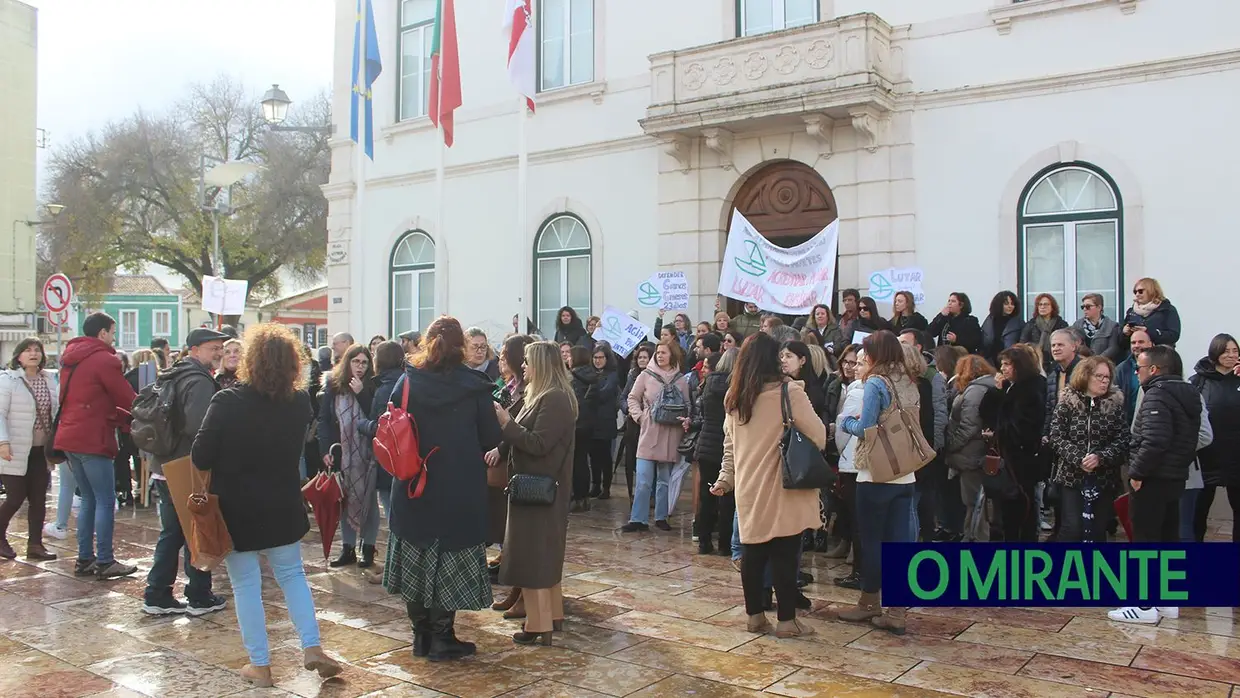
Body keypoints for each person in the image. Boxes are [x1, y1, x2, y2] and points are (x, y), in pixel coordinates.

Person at [191, 324, 341, 687]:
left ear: (249, 360)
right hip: (282, 504)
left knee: (246, 585)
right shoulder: (300, 402)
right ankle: (312, 646)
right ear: (293, 364)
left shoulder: (226, 401)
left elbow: (200, 454)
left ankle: (260, 665)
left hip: (236, 509)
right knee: (292, 576)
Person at [385, 316, 503, 661]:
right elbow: (490, 439)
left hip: (412, 486)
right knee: (447, 562)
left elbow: (389, 425)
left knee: (416, 559)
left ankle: (420, 637)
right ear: (461, 346)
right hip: (458, 488)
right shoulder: (475, 385)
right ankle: (442, 637)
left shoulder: (407, 382)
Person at [711, 332, 824, 638]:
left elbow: (730, 445)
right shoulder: (790, 393)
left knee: (753, 553)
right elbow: (819, 435)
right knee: (786, 554)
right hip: (783, 485)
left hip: (748, 486)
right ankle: (787, 621)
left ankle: (754, 617)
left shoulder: (735, 397)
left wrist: (725, 478)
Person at [833, 331, 920, 634]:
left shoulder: (875, 383)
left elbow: (866, 428)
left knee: (870, 541)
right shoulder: (908, 380)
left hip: (875, 473)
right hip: (905, 472)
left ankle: (868, 602)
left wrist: (845, 421)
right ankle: (896, 611)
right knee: (900, 543)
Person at [493, 341, 576, 646]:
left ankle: (538, 625)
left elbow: (540, 445)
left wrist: (506, 424)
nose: (523, 367)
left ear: (540, 364)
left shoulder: (554, 399)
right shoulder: (546, 395)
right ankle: (551, 617)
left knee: (535, 558)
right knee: (542, 556)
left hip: (539, 491)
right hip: (537, 490)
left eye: (527, 362)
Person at [1109, 345, 1200, 624]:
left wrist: (1136, 473)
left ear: (1155, 370)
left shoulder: (1157, 394)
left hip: (1153, 478)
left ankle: (1144, 605)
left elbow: (1155, 440)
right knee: (1168, 539)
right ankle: (1166, 600)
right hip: (1175, 477)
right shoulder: (1188, 394)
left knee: (1145, 541)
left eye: (1140, 368)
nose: (1137, 373)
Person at [143, 327, 230, 616]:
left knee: (172, 533)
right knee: (197, 532)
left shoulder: (174, 372)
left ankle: (157, 594)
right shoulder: (199, 381)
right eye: (212, 348)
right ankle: (199, 596)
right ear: (194, 350)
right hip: (185, 468)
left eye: (220, 347)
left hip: (164, 465)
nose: (218, 353)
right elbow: (199, 427)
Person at [54, 312, 139, 580]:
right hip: (93, 438)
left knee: (88, 498)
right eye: (112, 333)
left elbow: (83, 397)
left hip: (70, 437)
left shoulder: (70, 357)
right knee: (105, 499)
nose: (113, 338)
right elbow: (126, 396)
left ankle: (85, 558)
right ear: (103, 333)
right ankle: (105, 560)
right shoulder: (104, 359)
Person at [1049, 356, 1128, 542]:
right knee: (1072, 528)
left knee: (1097, 530)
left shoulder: (1114, 406)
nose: (1104, 381)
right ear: (1085, 376)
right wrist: (1079, 458)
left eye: (1107, 377)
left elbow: (1123, 439)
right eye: (1099, 376)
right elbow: (1056, 436)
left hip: (1104, 478)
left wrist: (1100, 457)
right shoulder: (1067, 404)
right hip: (1072, 477)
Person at [486, 334, 535, 616]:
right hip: (510, 461)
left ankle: (522, 593)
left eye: (505, 356)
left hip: (518, 463)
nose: (500, 361)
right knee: (509, 530)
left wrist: (501, 447)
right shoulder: (508, 386)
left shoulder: (527, 390)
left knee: (520, 534)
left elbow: (518, 425)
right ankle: (516, 590)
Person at [318, 344, 378, 568]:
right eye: (356, 362)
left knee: (368, 500)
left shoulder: (372, 385)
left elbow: (375, 415)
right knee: (344, 498)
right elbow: (324, 419)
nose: (360, 367)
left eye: (364, 362)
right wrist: (325, 449)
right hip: (342, 451)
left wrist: (361, 393)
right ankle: (348, 548)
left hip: (367, 453)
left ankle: (369, 548)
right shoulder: (334, 385)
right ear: (347, 363)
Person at [622, 339, 691, 533]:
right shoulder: (645, 375)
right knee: (643, 478)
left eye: (664, 352)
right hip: (649, 431)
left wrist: (685, 419)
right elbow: (632, 398)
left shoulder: (681, 379)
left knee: (664, 479)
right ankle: (638, 519)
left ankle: (661, 517)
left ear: (672, 355)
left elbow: (687, 403)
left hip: (671, 433)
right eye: (658, 352)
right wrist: (640, 417)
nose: (659, 355)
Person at [0, 338, 60, 561]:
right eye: (28, 350)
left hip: (39, 450)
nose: (33, 354)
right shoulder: (8, 380)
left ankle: (35, 545)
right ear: (18, 356)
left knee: (38, 498)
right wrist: (2, 442)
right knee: (15, 497)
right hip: (13, 448)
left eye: (37, 350)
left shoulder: (48, 379)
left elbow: (53, 414)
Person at [992, 346, 1048, 542]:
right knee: (1009, 508)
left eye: (1008, 364)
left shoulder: (1030, 388)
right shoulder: (1013, 386)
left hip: (1021, 458)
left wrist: (1004, 431)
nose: (1003, 368)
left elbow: (1023, 425)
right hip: (1010, 456)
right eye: (1002, 364)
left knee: (1021, 507)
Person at [356, 340, 406, 555]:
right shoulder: (406, 381)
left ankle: (396, 565)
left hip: (388, 459)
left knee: (393, 513)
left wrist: (361, 425)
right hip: (404, 455)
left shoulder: (385, 388)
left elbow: (381, 427)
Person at [1189, 334, 1240, 542]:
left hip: (1236, 455)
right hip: (1206, 456)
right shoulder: (1198, 381)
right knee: (1199, 510)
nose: (1231, 355)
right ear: (1215, 352)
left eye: (1235, 351)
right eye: (1226, 351)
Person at [945, 355, 998, 542]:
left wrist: (950, 445)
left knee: (974, 503)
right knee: (977, 503)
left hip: (970, 454)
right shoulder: (989, 385)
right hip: (977, 452)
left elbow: (969, 425)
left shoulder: (975, 390)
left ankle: (973, 540)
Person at [694, 350, 735, 556]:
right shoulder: (735, 388)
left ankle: (704, 541)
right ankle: (725, 544)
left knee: (706, 495)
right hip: (727, 446)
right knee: (727, 497)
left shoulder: (708, 383)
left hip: (706, 445)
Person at [831, 349, 866, 587]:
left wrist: (841, 451)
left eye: (861, 363)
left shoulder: (858, 392)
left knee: (859, 521)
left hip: (854, 462)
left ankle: (859, 573)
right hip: (867, 463)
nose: (855, 368)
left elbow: (844, 429)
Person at [567, 345, 598, 512]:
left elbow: (574, 403)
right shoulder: (594, 375)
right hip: (589, 424)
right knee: (583, 461)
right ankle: (584, 497)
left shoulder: (573, 378)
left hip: (576, 424)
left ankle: (577, 497)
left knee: (575, 462)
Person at [588, 345, 619, 499]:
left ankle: (606, 487)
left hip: (606, 420)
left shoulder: (612, 375)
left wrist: (591, 393)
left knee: (605, 456)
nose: (598, 361)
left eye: (601, 358)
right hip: (592, 420)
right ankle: (595, 485)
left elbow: (604, 394)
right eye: (595, 358)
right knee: (593, 455)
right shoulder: (590, 373)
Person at [1120, 278, 1181, 352]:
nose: (1137, 294)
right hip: (1136, 356)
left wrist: (1148, 331)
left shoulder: (1167, 309)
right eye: (1135, 292)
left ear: (1151, 291)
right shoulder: (1131, 312)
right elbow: (1121, 343)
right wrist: (1125, 333)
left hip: (1161, 355)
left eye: (1140, 291)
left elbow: (1174, 335)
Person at [1020, 294, 1069, 374]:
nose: (1042, 307)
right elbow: (1022, 344)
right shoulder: (1031, 324)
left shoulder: (1061, 324)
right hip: (1036, 363)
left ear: (1052, 307)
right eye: (1040, 304)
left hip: (1056, 361)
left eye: (1046, 304)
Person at [1116, 328, 1152, 424]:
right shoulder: (1121, 369)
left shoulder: (1160, 366)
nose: (1137, 345)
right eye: (1133, 342)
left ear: (1150, 344)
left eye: (1141, 342)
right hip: (1129, 424)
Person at [1074, 294, 1122, 361]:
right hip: (1081, 365)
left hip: (1103, 365)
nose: (1084, 309)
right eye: (1083, 307)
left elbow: (1113, 348)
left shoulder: (1111, 326)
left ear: (1099, 307)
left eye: (1088, 307)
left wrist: (1096, 361)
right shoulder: (1077, 325)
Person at [980, 291, 1022, 368]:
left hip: (1010, 361)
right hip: (990, 361)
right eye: (1006, 304)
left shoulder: (1018, 323)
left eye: (1012, 304)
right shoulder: (989, 320)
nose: (1010, 306)